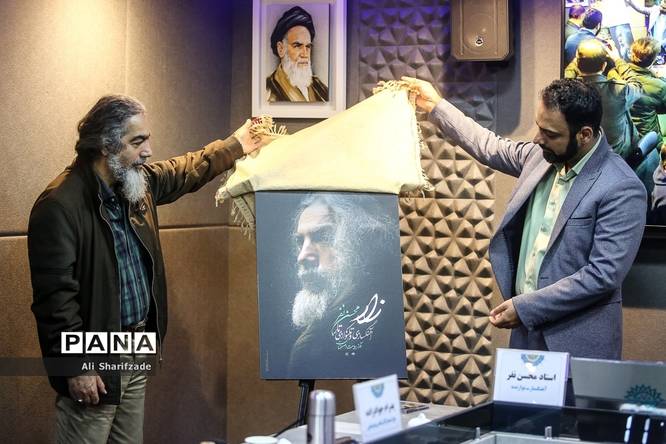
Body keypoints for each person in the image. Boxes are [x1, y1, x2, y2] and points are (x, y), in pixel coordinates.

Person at [27, 95, 265, 443]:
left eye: (147, 139)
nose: (148, 151)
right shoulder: (60, 205)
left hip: (136, 345)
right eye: (137, 142)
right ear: (106, 145)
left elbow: (185, 169)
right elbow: (55, 301)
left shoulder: (133, 183)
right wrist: (75, 365)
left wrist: (236, 145)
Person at [402, 76, 646, 362]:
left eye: (550, 133)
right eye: (539, 127)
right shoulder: (539, 156)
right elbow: (489, 146)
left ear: (584, 135)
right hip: (526, 334)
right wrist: (436, 106)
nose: (537, 139)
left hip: (577, 345)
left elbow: (602, 275)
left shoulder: (621, 187)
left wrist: (526, 307)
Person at [286, 193, 398, 377]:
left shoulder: (388, 322)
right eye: (300, 241)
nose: (302, 256)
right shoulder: (312, 341)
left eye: (322, 236)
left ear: (358, 241)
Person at [573, 39, 642, 160]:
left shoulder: (568, 91)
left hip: (583, 155)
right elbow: (637, 86)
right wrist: (618, 59)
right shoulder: (619, 90)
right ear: (604, 65)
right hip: (618, 155)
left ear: (577, 64)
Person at [614, 37, 666, 192]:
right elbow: (662, 108)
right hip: (649, 141)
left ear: (631, 54)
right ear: (653, 59)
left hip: (622, 139)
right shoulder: (659, 86)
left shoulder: (614, 74)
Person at [266, 6, 329, 102]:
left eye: (308, 46)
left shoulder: (320, 87)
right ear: (281, 49)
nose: (305, 54)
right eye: (298, 46)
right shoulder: (268, 92)